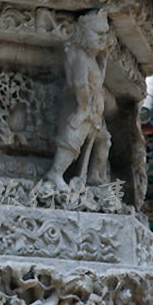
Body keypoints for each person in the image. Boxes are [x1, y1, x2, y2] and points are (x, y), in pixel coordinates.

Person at [45, 10, 112, 191]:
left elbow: (96, 83)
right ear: (82, 33)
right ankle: (56, 173)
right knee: (71, 142)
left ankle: (94, 174)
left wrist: (103, 62)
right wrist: (83, 109)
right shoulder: (79, 55)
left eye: (105, 34)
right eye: (98, 33)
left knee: (104, 139)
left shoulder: (92, 58)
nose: (103, 38)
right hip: (80, 108)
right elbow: (80, 83)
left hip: (93, 111)